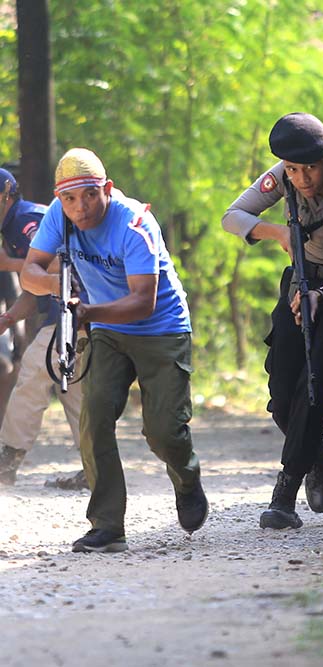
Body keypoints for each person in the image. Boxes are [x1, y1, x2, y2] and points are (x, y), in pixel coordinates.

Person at [21, 148, 207, 553]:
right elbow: (29, 271)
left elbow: (144, 301)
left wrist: (86, 310)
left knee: (164, 433)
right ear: (59, 197)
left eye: (88, 195)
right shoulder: (59, 216)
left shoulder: (135, 223)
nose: (80, 207)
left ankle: (187, 477)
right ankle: (107, 525)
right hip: (105, 328)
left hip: (161, 328)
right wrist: (62, 289)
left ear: (105, 188)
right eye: (69, 198)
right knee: (94, 419)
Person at [222, 113, 323, 530]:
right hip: (300, 284)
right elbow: (232, 216)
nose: (302, 178)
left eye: (310, 168)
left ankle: (284, 495)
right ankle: (318, 450)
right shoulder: (282, 176)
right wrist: (277, 233)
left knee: (315, 383)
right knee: (281, 389)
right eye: (293, 169)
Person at [0, 167, 87, 489]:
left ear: (7, 195)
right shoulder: (12, 227)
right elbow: (36, 288)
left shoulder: (25, 221)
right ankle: (96, 467)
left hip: (77, 311)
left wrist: (8, 263)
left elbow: (57, 265)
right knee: (76, 393)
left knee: (33, 372)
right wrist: (9, 319)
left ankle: (7, 460)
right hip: (69, 313)